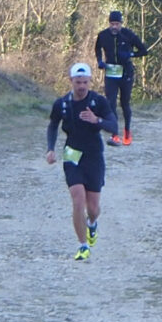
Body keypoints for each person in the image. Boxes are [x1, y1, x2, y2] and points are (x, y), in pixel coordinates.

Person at [44, 62, 111, 259]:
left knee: (93, 208)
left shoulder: (98, 102)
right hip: (71, 154)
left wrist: (97, 120)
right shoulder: (62, 104)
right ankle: (83, 246)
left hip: (94, 155)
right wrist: (50, 149)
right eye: (78, 82)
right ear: (71, 81)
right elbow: (53, 125)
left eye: (85, 82)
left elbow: (113, 125)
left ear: (90, 81)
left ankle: (92, 223)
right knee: (77, 200)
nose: (81, 86)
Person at [92, 10, 148, 143]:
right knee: (110, 102)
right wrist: (100, 61)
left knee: (124, 103)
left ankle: (127, 131)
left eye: (117, 24)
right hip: (111, 73)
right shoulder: (103, 35)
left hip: (126, 73)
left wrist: (131, 54)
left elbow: (144, 51)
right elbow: (97, 48)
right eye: (112, 24)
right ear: (109, 23)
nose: (114, 27)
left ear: (121, 24)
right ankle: (115, 133)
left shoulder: (128, 35)